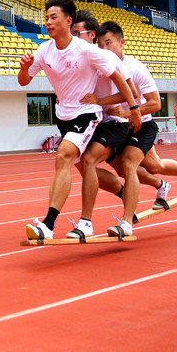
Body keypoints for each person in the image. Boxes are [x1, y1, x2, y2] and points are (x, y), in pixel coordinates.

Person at [17, 0, 141, 241]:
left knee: (63, 156)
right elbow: (23, 81)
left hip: (86, 114)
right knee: (84, 166)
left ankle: (49, 224)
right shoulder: (44, 50)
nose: (48, 22)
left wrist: (134, 108)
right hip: (63, 116)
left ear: (68, 21)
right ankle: (121, 191)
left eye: (54, 17)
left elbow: (118, 77)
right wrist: (23, 68)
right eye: (46, 18)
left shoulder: (85, 50)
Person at [83, 20, 177, 222]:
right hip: (118, 127)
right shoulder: (100, 69)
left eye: (108, 43)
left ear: (122, 43)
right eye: (100, 45)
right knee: (133, 167)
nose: (104, 48)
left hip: (142, 124)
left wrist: (127, 113)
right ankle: (163, 185)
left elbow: (155, 104)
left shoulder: (136, 69)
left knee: (140, 165)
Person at [69, 13, 136, 238]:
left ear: (91, 35)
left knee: (89, 161)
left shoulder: (107, 58)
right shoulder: (75, 61)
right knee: (80, 163)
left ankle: (86, 222)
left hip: (115, 122)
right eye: (72, 34)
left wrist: (102, 101)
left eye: (78, 34)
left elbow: (131, 93)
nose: (74, 38)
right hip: (92, 121)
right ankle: (123, 191)